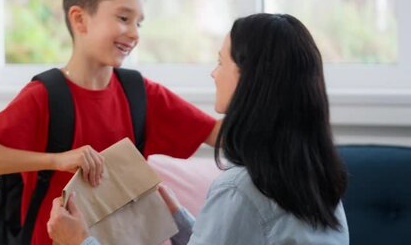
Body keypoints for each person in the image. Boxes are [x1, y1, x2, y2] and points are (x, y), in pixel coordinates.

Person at [0, 0, 220, 244]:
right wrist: (57, 160)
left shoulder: (140, 93)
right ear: (80, 19)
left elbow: (216, 133)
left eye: (138, 22)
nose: (135, 33)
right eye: (123, 18)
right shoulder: (44, 96)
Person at [47, 13, 350, 245]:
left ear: (249, 78)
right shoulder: (321, 183)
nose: (213, 74)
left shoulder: (240, 189)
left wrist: (79, 241)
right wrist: (184, 223)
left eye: (221, 62)